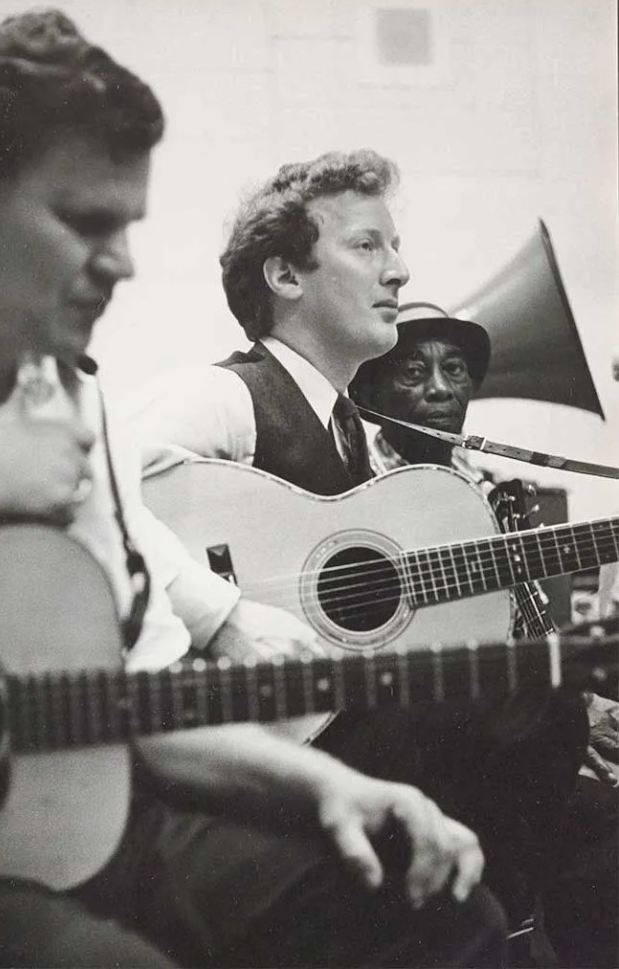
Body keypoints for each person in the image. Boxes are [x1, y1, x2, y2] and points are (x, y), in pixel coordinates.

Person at [0, 13, 507, 968]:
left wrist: (322, 787)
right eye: (84, 220)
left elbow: (143, 699)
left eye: (127, 225)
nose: (124, 263)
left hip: (102, 828)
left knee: (439, 910)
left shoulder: (72, 401)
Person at [132, 150, 595, 959]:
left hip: (332, 724)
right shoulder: (229, 394)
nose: (399, 269)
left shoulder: (361, 439)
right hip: (254, 747)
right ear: (284, 274)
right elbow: (99, 499)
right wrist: (223, 611)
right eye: (368, 246)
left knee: (570, 763)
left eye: (396, 247)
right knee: (535, 701)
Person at [349, 300, 619, 967]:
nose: (441, 388)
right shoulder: (352, 483)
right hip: (420, 744)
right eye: (413, 371)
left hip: (517, 738)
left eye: (456, 369)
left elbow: (531, 624)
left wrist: (584, 705)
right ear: (372, 388)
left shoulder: (496, 489)